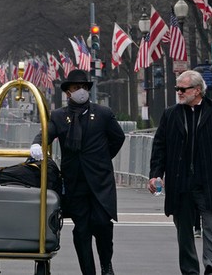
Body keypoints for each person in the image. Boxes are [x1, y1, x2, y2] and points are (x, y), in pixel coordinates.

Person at [30, 69, 125, 275]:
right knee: (81, 229)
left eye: (83, 87)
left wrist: (102, 158)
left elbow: (118, 138)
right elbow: (46, 134)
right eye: (76, 88)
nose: (80, 91)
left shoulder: (103, 114)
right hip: (75, 181)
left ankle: (106, 264)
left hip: (100, 180)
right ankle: (88, 271)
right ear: (68, 92)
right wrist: (37, 144)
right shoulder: (59, 116)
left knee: (101, 223)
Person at [148, 70, 212, 275]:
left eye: (183, 89)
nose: (179, 93)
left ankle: (210, 267)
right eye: (177, 89)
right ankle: (190, 270)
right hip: (180, 182)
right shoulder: (171, 114)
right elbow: (160, 146)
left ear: (197, 90)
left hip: (209, 180)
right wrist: (156, 174)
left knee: (211, 227)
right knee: (183, 230)